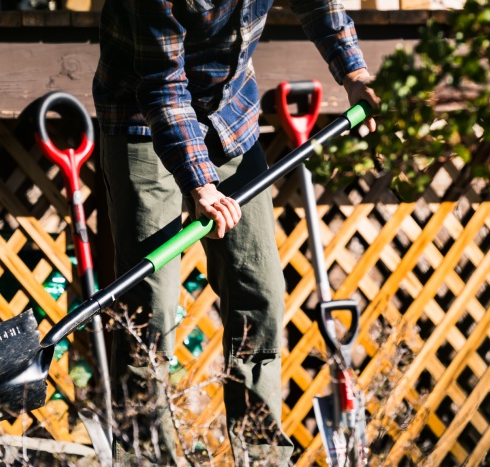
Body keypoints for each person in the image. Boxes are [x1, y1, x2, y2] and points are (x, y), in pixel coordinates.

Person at [92, 0, 378, 465]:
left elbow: (319, 4)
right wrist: (200, 183)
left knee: (260, 291)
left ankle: (262, 455)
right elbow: (164, 88)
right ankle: (150, 457)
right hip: (142, 119)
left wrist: (354, 73)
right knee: (152, 307)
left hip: (230, 115)